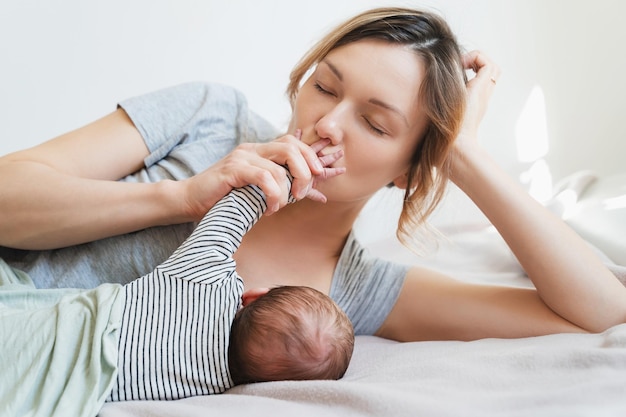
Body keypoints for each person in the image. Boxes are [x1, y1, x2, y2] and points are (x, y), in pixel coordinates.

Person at [1, 5, 625, 347]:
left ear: (410, 171)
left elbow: (601, 312)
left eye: (377, 126)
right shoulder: (209, 118)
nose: (327, 122)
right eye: (324, 86)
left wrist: (461, 151)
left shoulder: (355, 293)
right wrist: (183, 197)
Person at [1, 168, 354, 417]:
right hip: (63, 389)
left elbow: (234, 211)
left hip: (54, 334)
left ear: (253, 295)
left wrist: (291, 176)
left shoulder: (205, 282)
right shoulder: (211, 387)